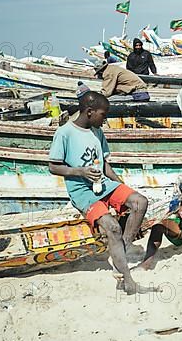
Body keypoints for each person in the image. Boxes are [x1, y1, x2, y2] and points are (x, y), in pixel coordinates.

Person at [48, 91, 152, 295]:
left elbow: (104, 165)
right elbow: (53, 166)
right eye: (103, 116)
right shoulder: (65, 133)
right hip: (82, 190)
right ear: (89, 112)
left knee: (140, 202)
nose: (104, 121)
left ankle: (121, 252)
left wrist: (121, 186)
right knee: (112, 227)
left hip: (103, 184)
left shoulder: (97, 132)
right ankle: (126, 280)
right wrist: (80, 171)